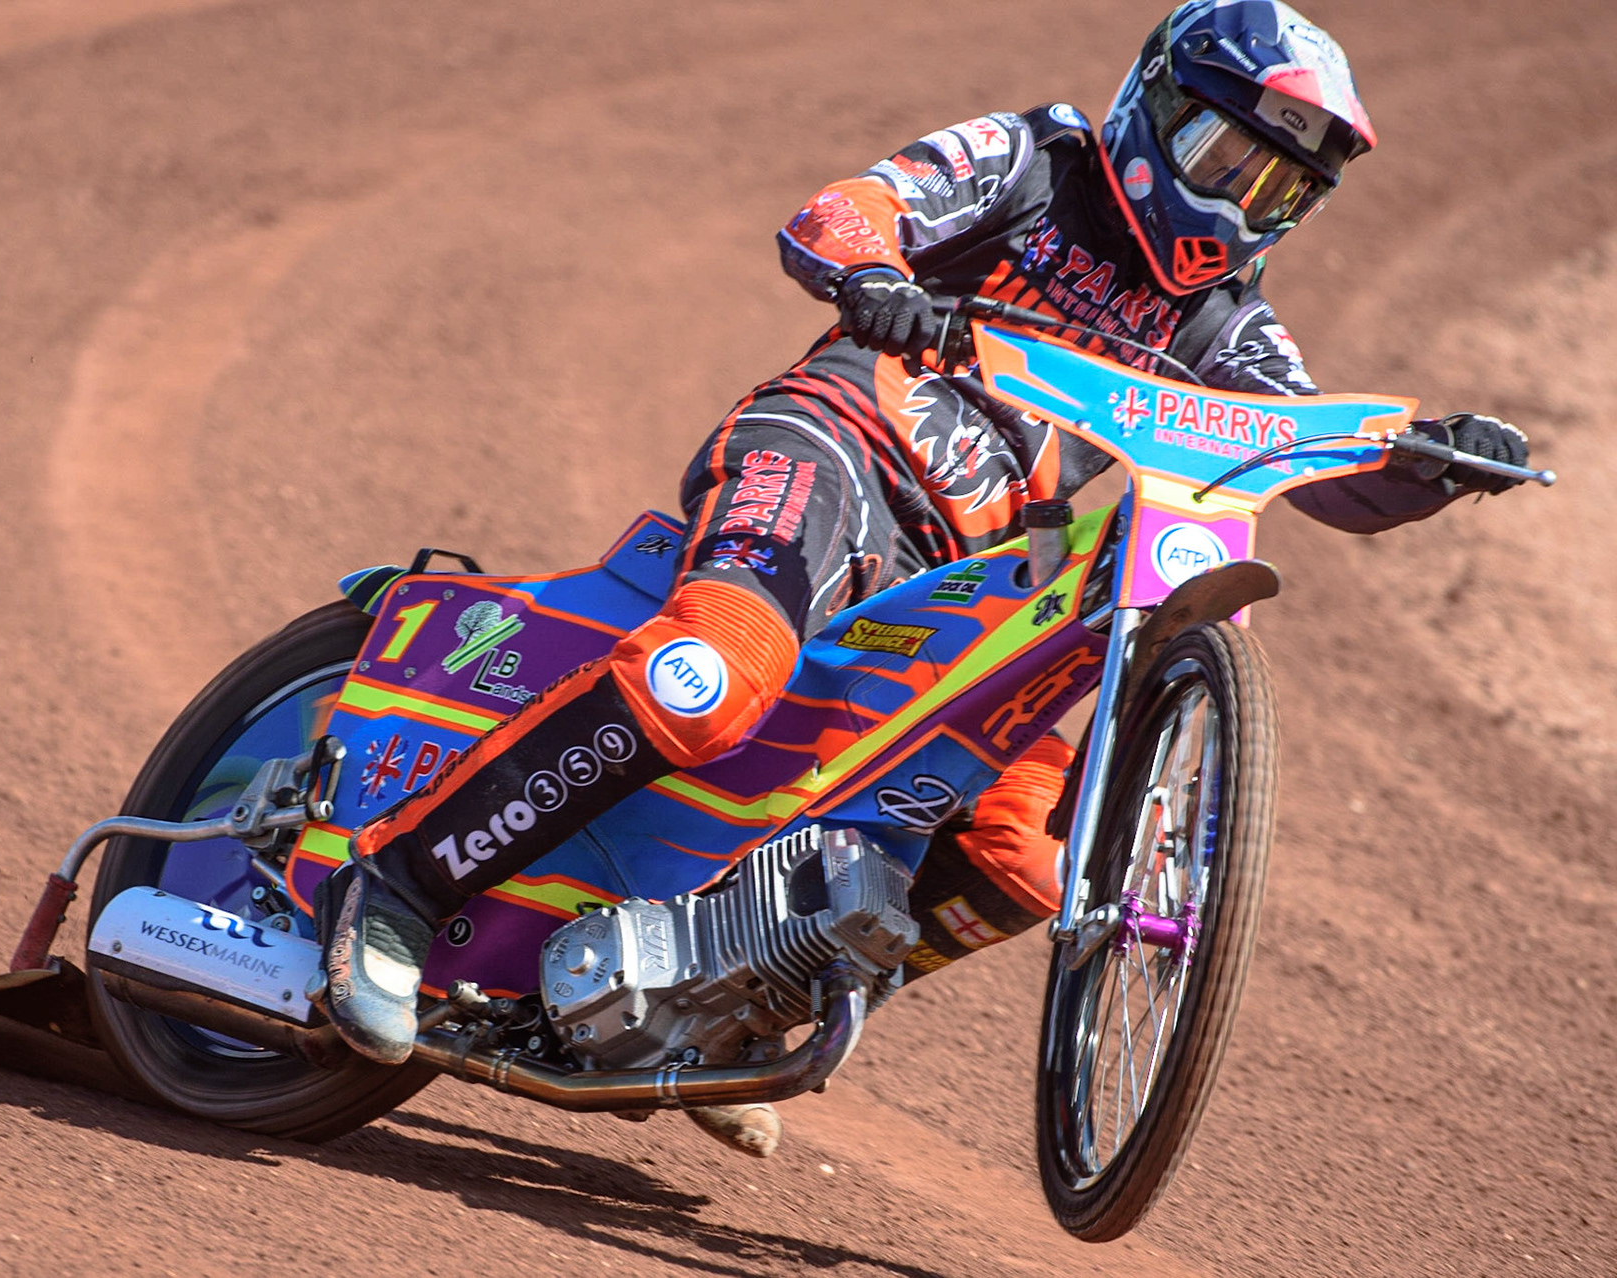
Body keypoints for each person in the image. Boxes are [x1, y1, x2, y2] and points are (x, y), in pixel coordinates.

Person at [316, 0, 1530, 1153]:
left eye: (1277, 187)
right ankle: (398, 887)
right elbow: (849, 208)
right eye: (1226, 157)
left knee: (1023, 854)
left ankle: (732, 1007)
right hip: (833, 449)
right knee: (711, 676)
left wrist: (1436, 462)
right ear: (1156, 106)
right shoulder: (1041, 160)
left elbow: (1323, 470)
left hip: (974, 567)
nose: (1240, 201)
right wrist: (874, 279)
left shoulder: (1226, 323)